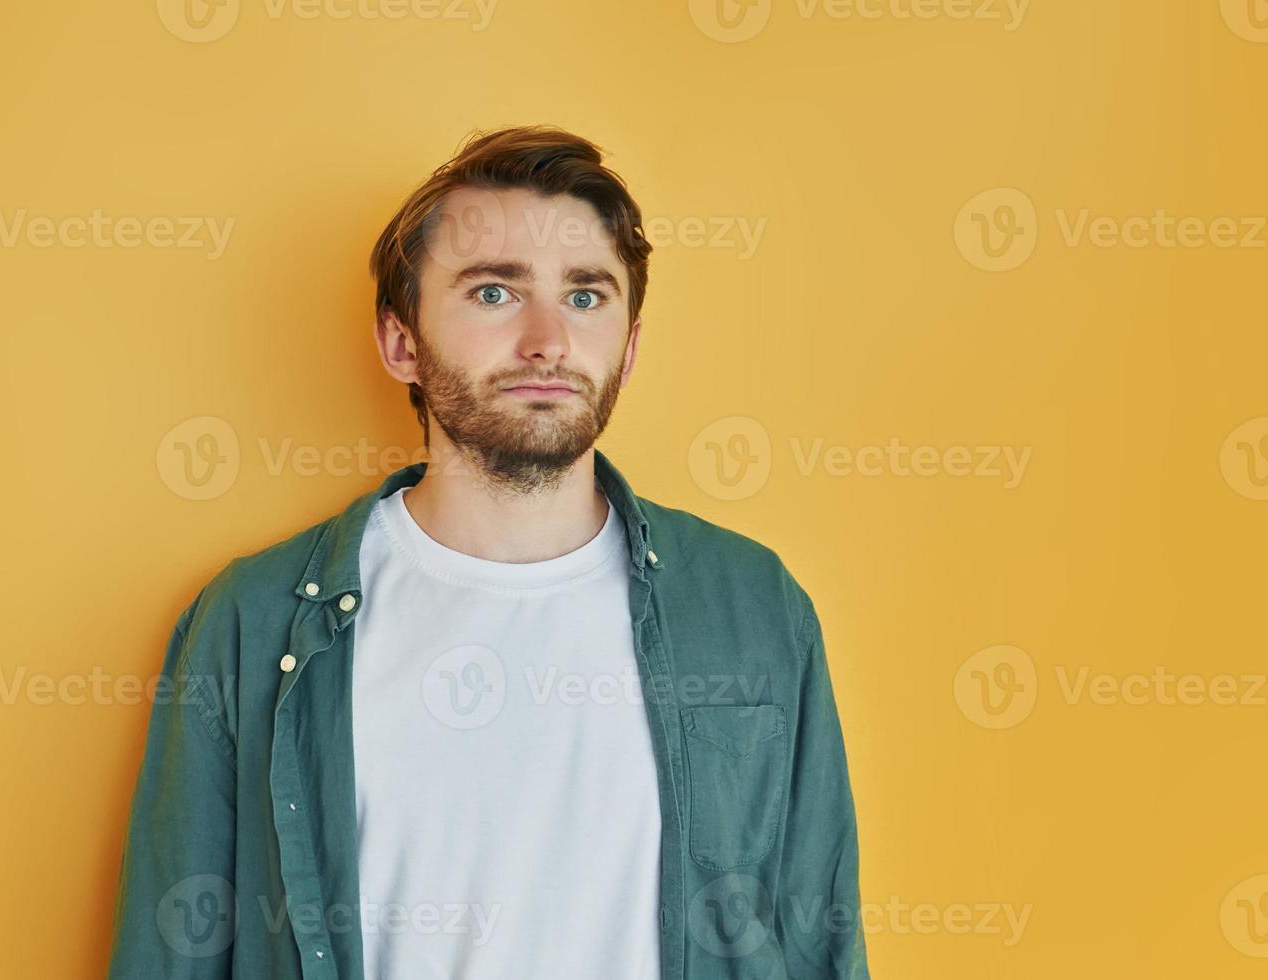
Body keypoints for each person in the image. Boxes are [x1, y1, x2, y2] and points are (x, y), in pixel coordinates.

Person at [107, 125, 869, 980]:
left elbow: (819, 943)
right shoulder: (254, 619)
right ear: (402, 343)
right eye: (495, 293)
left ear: (631, 346)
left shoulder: (752, 603)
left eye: (586, 297)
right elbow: (171, 949)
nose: (548, 339)